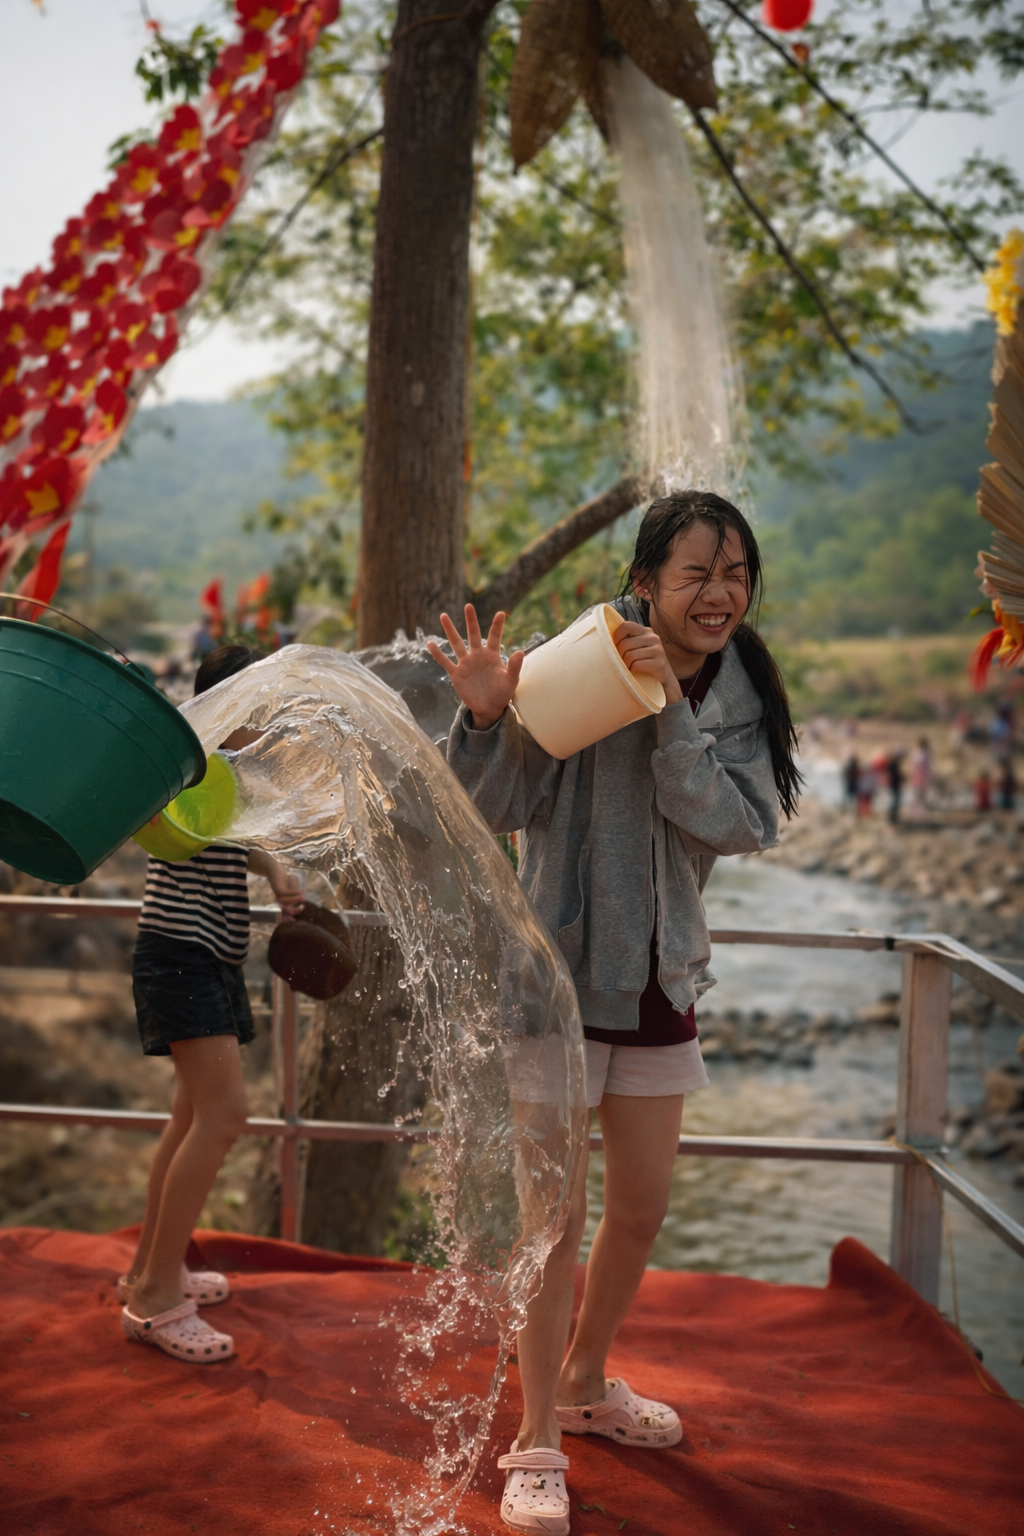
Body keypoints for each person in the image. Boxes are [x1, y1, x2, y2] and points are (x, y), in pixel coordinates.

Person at [429, 490, 799, 1535]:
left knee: (638, 1208)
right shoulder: (574, 667)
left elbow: (735, 822)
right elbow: (490, 811)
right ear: (642, 579)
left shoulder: (734, 693)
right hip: (552, 985)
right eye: (695, 573)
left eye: (734, 575)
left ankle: (588, 1380)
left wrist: (669, 707)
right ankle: (537, 1438)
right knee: (552, 1224)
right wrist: (489, 715)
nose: (718, 593)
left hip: (660, 984)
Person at [119, 644, 304, 1363]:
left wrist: (277, 866)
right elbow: (176, 829)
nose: (269, 721)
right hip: (180, 953)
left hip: (209, 956)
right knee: (226, 1116)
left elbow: (234, 837)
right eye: (261, 706)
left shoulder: (222, 774)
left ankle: (151, 1267)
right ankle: (155, 1297)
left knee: (190, 1116)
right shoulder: (191, 766)